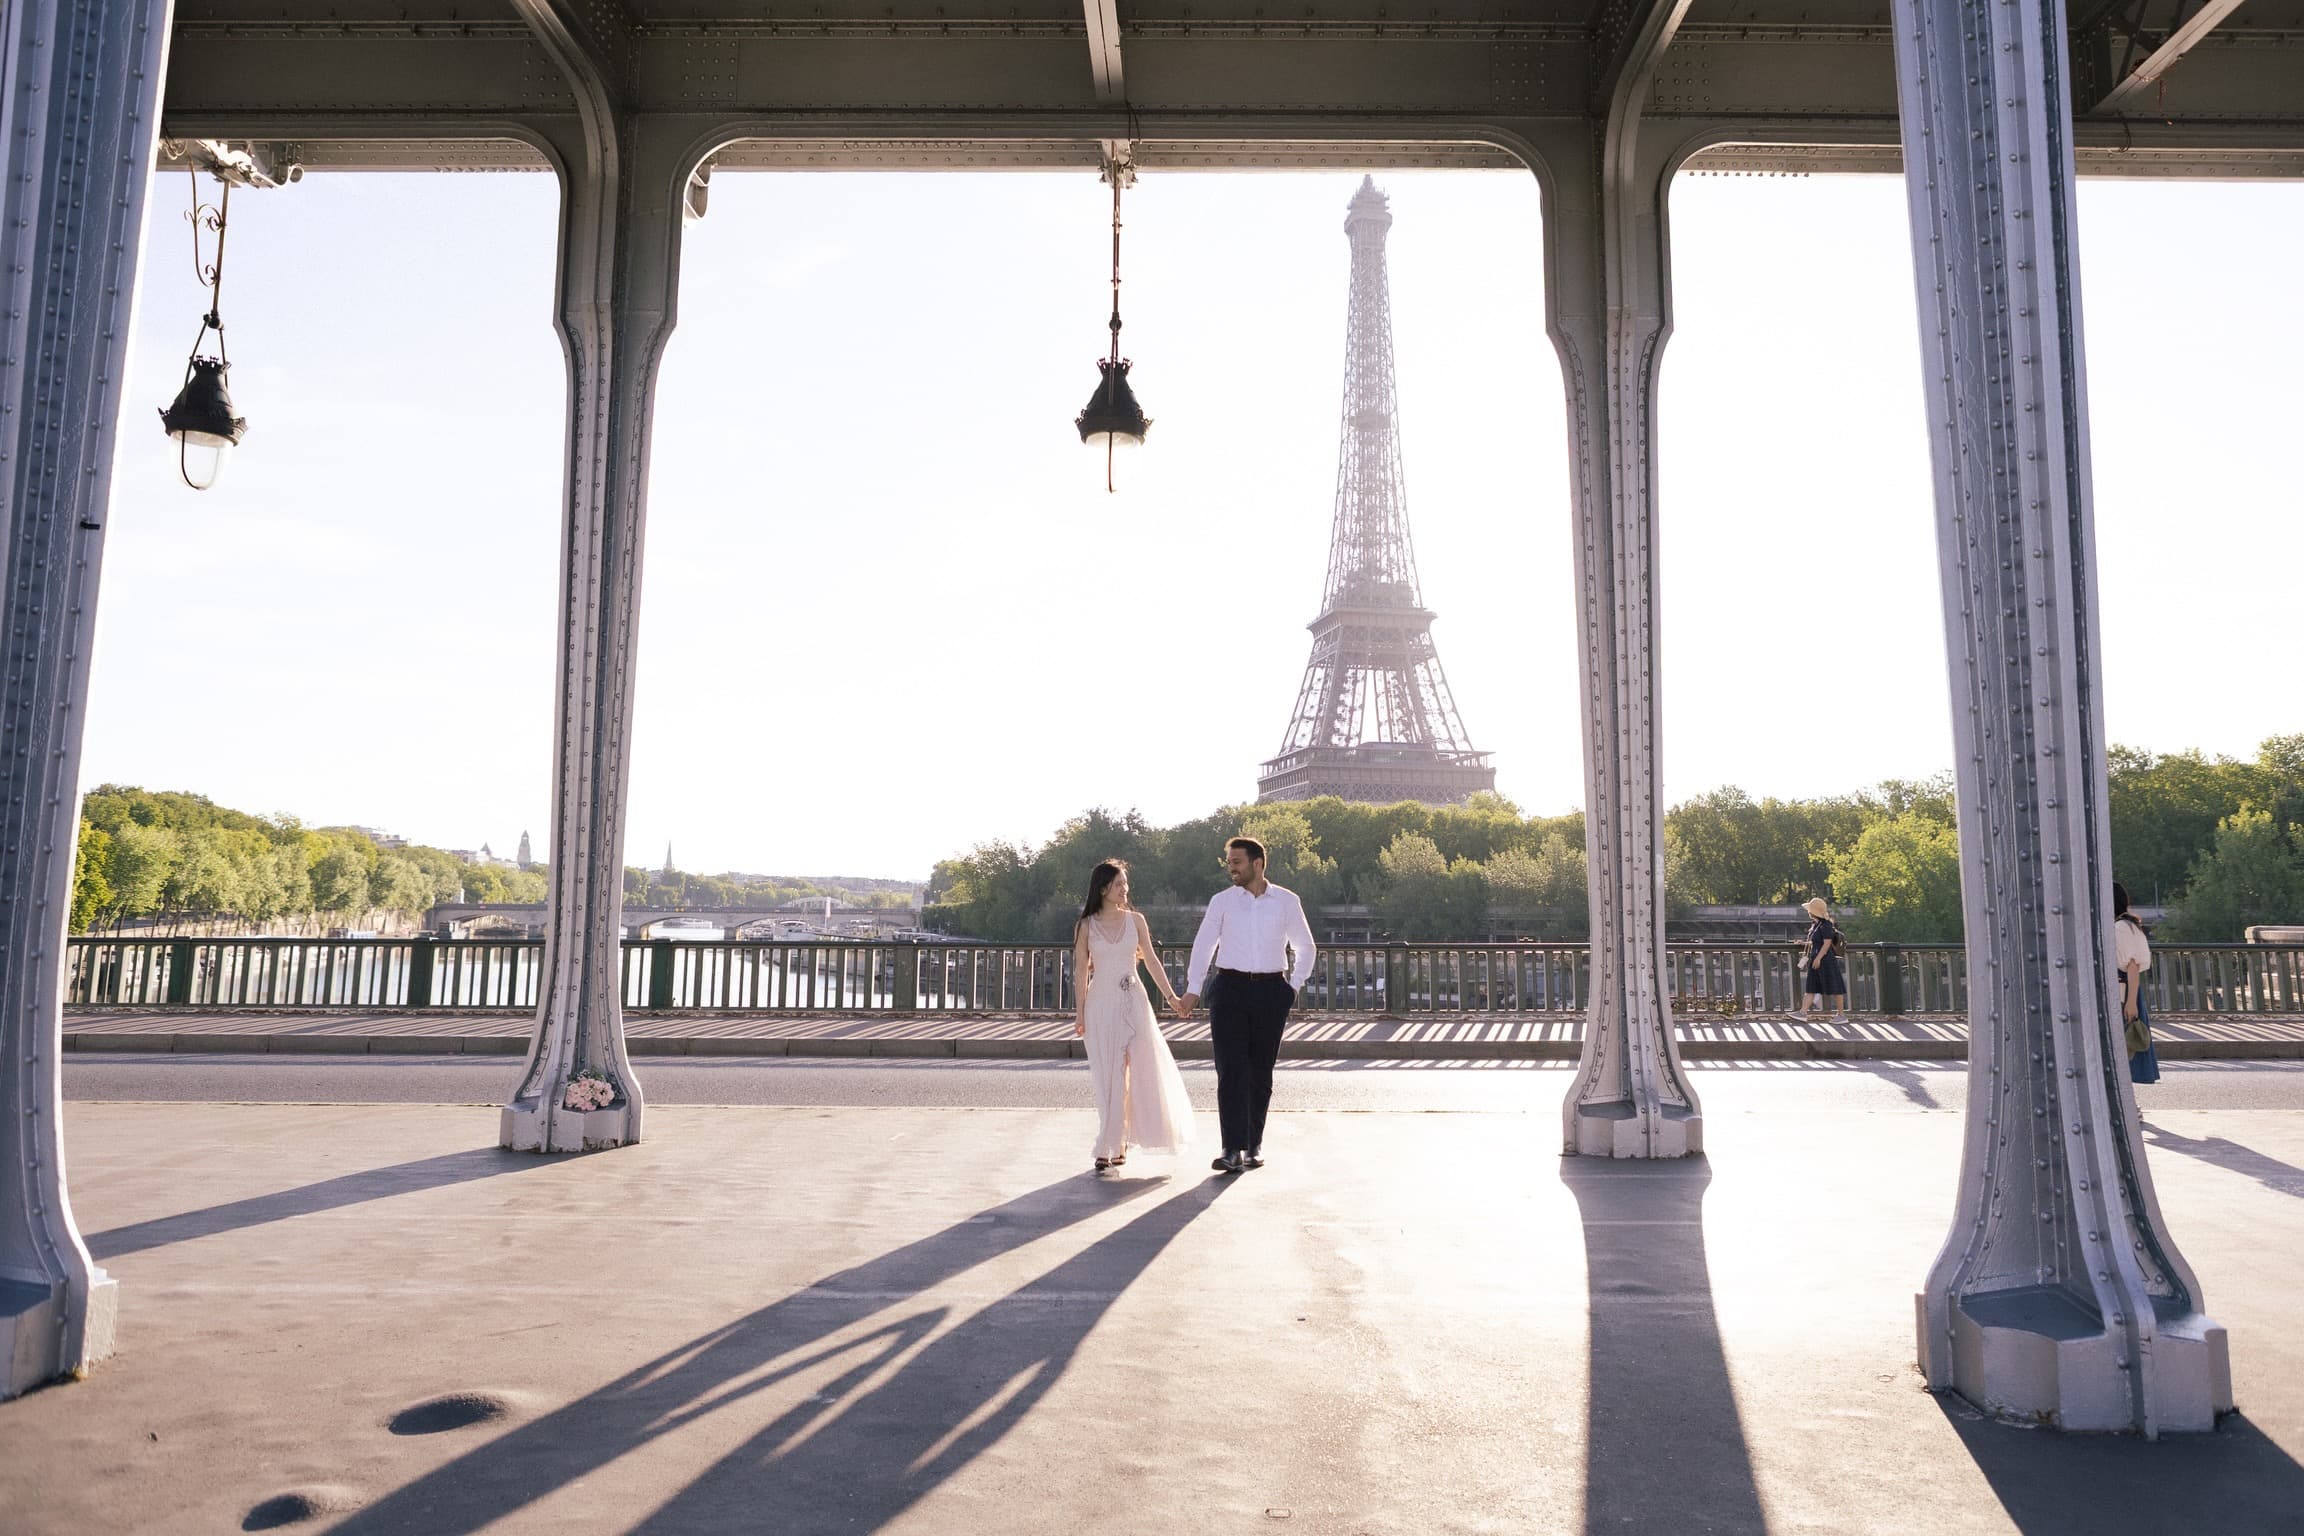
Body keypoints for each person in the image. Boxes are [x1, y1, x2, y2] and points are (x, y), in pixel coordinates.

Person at [1177, 836, 1317, 1175]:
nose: (1231, 868)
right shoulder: (1221, 902)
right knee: (1230, 1070)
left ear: (1257, 863)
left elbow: (1306, 946)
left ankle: (1254, 1144)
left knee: (1260, 1072)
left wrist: (1292, 988)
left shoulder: (1286, 901)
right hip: (1229, 990)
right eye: (1230, 862)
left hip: (1272, 991)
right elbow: (1204, 945)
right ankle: (1231, 1149)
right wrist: (1193, 989)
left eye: (1237, 862)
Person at [1072, 859, 1195, 1172]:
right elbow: (1079, 973)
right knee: (1108, 1075)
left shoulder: (1136, 920)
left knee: (1140, 1069)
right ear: (1102, 888)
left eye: (1125, 883)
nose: (1124, 889)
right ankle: (1109, 1143)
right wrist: (1080, 1012)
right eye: (1118, 884)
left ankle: (1121, 1140)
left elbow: (1152, 962)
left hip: (1134, 1001)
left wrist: (1172, 998)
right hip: (1100, 1004)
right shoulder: (1086, 926)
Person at [2115, 881, 2159, 1085]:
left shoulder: (2121, 928)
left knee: (2124, 1046)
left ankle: (2130, 1102)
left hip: (2124, 992)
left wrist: (2130, 1002)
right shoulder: (2127, 926)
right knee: (2126, 1046)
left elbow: (2133, 966)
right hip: (2126, 991)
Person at [1800, 896, 1849, 1020]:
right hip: (1817, 959)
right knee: (1811, 987)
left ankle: (1841, 1015)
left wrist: (1818, 958)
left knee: (1835, 987)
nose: (1808, 912)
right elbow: (1818, 942)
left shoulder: (1826, 925)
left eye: (1809, 910)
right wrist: (1803, 943)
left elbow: (1827, 943)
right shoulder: (1817, 924)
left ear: (1813, 911)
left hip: (1825, 960)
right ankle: (1802, 1013)